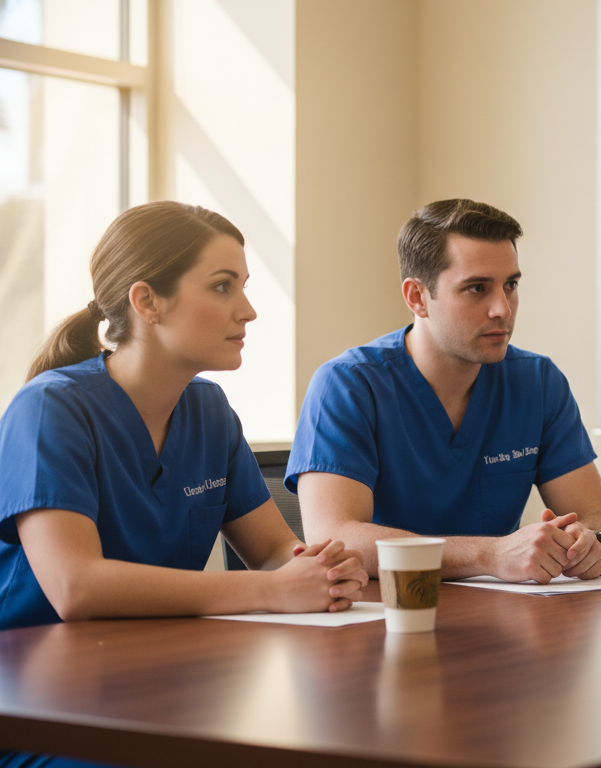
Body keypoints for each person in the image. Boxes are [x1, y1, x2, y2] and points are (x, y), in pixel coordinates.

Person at [0, 203, 370, 767]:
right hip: (45, 709)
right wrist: (274, 591)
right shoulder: (50, 408)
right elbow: (78, 588)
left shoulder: (209, 410)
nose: (247, 311)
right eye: (223, 287)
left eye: (244, 286)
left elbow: (271, 550)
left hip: (158, 685)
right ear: (147, 301)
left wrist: (317, 568)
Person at [288, 199, 601, 583]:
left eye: (511, 285)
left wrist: (594, 543)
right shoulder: (348, 385)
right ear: (417, 297)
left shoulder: (539, 382)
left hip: (502, 621)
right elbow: (334, 537)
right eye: (477, 288)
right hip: (384, 619)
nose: (502, 308)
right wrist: (489, 554)